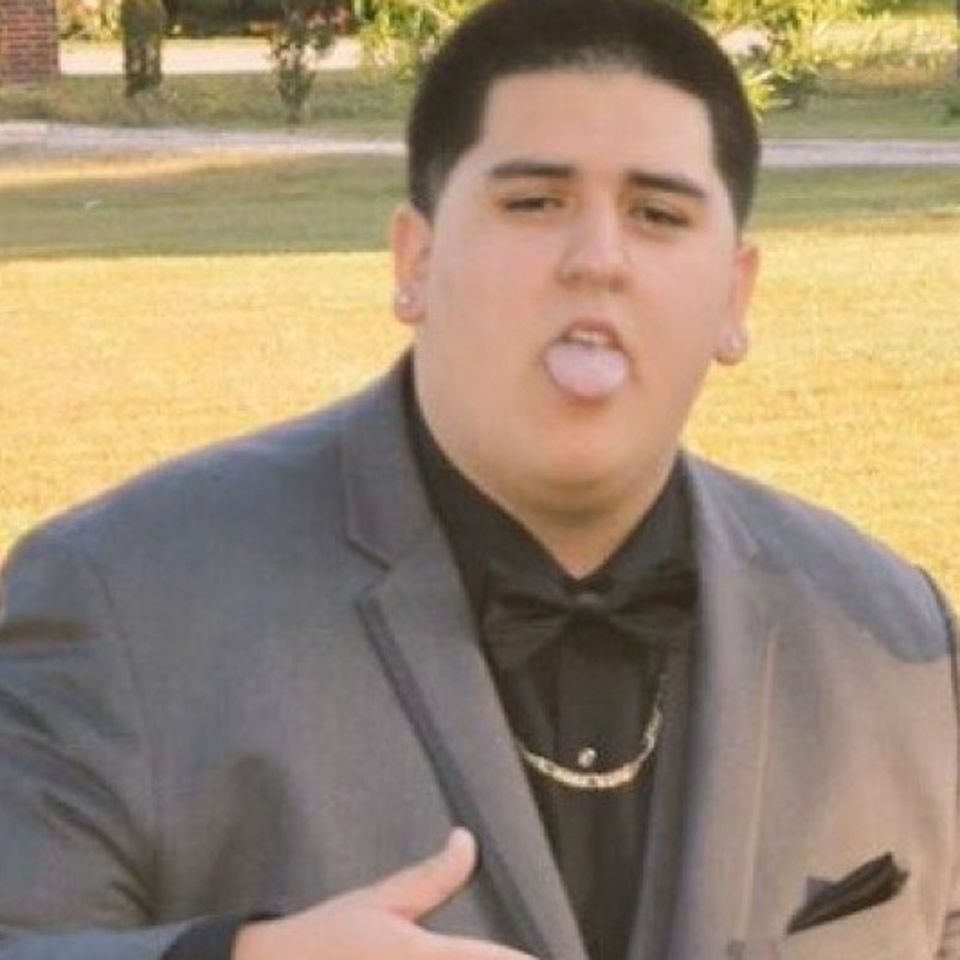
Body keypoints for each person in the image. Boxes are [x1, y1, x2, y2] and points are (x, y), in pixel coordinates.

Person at [0, 0, 957, 958]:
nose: (597, 261)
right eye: (534, 203)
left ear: (735, 297)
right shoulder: (120, 599)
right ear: (413, 260)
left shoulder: (896, 637)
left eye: (659, 215)